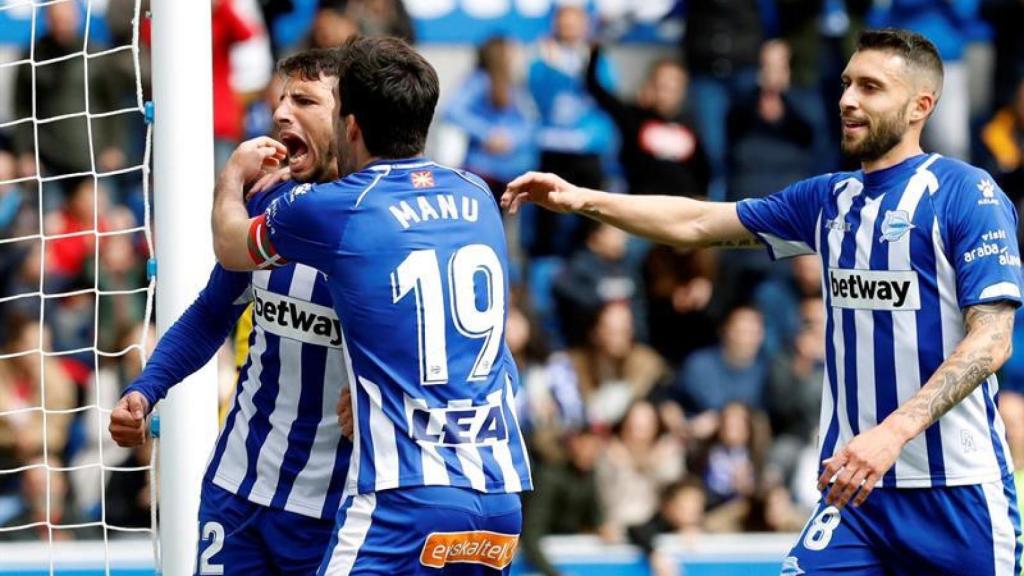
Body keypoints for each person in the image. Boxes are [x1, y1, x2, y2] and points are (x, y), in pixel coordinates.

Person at [504, 28, 1023, 574]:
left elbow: (993, 338)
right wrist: (584, 198)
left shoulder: (968, 194)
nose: (847, 99)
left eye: (871, 87)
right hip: (857, 495)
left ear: (922, 106)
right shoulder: (828, 200)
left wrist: (892, 433)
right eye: (847, 83)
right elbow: (698, 220)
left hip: (956, 493)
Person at [211, 36, 531, 574]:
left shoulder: (335, 207)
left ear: (350, 125)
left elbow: (229, 245)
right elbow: (498, 356)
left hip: (404, 496)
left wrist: (232, 177)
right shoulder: (476, 196)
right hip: (498, 497)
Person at [108, 49, 352, 575]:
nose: (282, 112)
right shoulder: (271, 206)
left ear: (349, 118)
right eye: (280, 98)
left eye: (304, 100)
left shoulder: (378, 220)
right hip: (238, 489)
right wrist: (146, 388)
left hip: (337, 507)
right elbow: (212, 311)